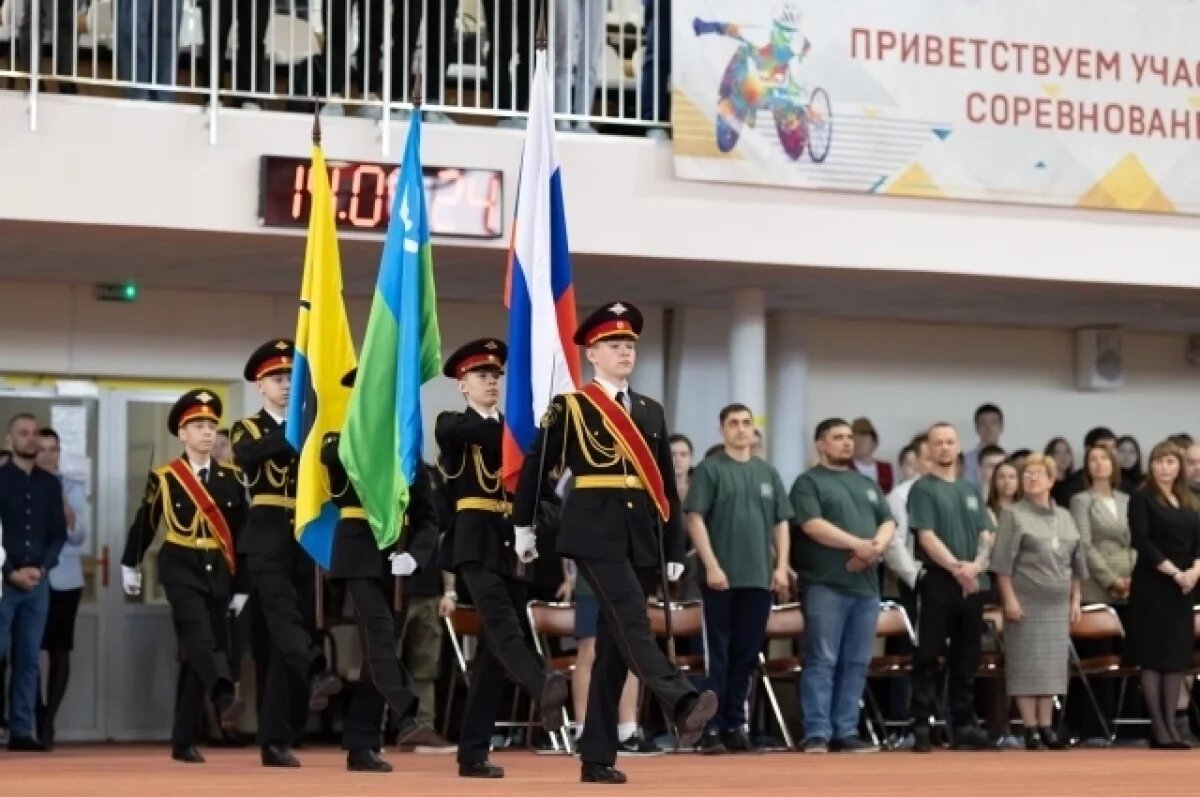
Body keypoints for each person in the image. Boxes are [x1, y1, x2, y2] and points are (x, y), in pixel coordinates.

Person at [513, 302, 718, 784]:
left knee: (614, 649)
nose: (624, 352)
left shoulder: (649, 409)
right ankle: (682, 697)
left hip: (641, 535)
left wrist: (670, 547)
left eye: (629, 345)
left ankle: (597, 756)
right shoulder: (573, 407)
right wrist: (527, 527)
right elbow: (538, 469)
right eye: (613, 345)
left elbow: (665, 485)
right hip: (593, 531)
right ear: (592, 355)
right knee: (631, 617)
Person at [435, 338, 569, 780]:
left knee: (494, 652)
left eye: (495, 376)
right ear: (462, 384)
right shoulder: (453, 423)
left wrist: (540, 519)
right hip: (473, 542)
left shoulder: (518, 433)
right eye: (480, 376)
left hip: (513, 543)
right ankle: (540, 683)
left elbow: (547, 497)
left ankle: (472, 752)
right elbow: (468, 436)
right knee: (504, 624)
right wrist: (529, 437)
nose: (490, 382)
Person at [120, 390, 248, 763]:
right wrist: (130, 563)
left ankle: (182, 739)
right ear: (182, 432)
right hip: (180, 565)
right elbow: (145, 523)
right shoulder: (165, 478)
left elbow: (241, 534)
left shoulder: (231, 478)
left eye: (211, 426)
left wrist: (242, 585)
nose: (207, 432)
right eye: (198, 426)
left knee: (199, 652)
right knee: (197, 634)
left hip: (219, 569)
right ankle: (224, 694)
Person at [322, 367, 440, 772]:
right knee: (380, 637)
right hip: (358, 557)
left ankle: (362, 742)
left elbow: (428, 519)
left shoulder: (409, 457)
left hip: (398, 562)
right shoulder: (339, 446)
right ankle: (409, 709)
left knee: (380, 651)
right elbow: (335, 474)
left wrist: (418, 556)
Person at [231, 339, 341, 768]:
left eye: (291, 378)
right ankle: (316, 670)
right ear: (260, 386)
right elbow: (251, 454)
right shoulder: (249, 427)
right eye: (277, 379)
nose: (284, 385)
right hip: (265, 538)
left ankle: (276, 738)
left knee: (282, 640)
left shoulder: (311, 427)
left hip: (305, 535)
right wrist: (299, 429)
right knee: (280, 617)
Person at [685, 403, 792, 754]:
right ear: (722, 430)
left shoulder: (767, 473)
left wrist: (780, 567)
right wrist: (712, 566)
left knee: (746, 656)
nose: (742, 429)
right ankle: (711, 729)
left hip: (758, 577)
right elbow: (695, 519)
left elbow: (781, 522)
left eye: (747, 423)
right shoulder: (710, 470)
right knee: (718, 654)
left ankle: (735, 725)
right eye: (734, 423)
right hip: (720, 578)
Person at [790, 418, 895, 754]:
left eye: (850, 437)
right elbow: (812, 525)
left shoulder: (866, 483)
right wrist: (858, 545)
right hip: (825, 584)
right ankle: (818, 731)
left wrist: (874, 548)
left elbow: (889, 521)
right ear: (821, 444)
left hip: (865, 586)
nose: (847, 443)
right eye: (838, 437)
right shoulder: (808, 483)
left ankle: (845, 730)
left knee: (856, 661)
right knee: (823, 659)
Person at [906, 422, 995, 752]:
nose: (944, 448)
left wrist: (977, 566)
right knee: (929, 652)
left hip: (973, 580)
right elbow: (926, 537)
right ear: (928, 449)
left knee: (968, 654)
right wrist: (958, 569)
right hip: (940, 580)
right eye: (937, 443)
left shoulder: (971, 490)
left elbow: (986, 536)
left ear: (959, 448)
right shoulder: (923, 489)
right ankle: (921, 725)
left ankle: (964, 724)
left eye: (950, 442)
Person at [992, 455, 1086, 750]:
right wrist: (1009, 599)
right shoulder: (1014, 515)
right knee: (1025, 665)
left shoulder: (1066, 516)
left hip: (1058, 603)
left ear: (1051, 479)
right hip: (1025, 601)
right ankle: (1029, 728)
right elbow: (1002, 565)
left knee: (1051, 667)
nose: (1031, 479)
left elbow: (1077, 562)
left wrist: (1076, 599)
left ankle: (1047, 726)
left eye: (1038, 474)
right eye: (1027, 474)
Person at [1123, 440, 1200, 749]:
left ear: (1179, 467)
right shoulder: (1142, 498)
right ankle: (1159, 727)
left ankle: (1172, 725)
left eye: (1171, 462)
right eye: (1159, 462)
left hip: (1185, 585)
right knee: (1153, 659)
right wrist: (1175, 572)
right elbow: (1142, 540)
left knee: (1175, 658)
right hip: (1154, 583)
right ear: (1151, 465)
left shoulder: (1189, 500)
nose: (1165, 468)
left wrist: (1195, 570)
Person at [0, 413, 67, 752]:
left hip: (37, 582)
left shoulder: (50, 484)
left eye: (34, 433)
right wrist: (10, 570)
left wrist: (41, 568)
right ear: (10, 439)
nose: (29, 439)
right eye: (22, 433)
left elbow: (58, 533)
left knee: (28, 659)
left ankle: (22, 732)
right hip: (2, 579)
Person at [34, 428, 89, 750]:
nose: (48, 455)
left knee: (59, 650)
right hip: (31, 577)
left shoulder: (73, 486)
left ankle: (49, 722)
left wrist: (64, 503)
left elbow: (79, 537)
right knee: (27, 652)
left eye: (53, 449)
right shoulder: (24, 485)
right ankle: (36, 714)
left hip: (66, 579)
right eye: (42, 449)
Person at [963, 404, 1004, 484]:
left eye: (993, 423)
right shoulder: (966, 461)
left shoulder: (1009, 459)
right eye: (983, 423)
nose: (989, 428)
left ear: (1001, 427)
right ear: (976, 428)